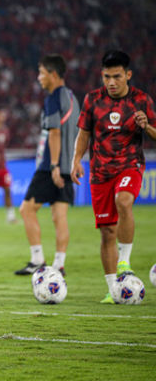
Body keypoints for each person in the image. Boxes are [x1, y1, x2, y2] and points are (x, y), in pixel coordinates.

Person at [71, 50, 156, 303]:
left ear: (128, 75)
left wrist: (147, 126)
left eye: (117, 76)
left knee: (124, 200)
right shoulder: (92, 100)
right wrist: (76, 160)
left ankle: (124, 262)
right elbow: (84, 133)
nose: (111, 82)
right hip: (99, 173)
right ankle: (113, 290)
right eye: (107, 76)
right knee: (107, 231)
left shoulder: (141, 99)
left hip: (129, 165)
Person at [15, 54, 80, 276]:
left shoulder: (53, 97)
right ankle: (59, 264)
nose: (39, 77)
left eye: (42, 72)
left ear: (53, 74)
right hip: (68, 164)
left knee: (26, 210)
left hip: (50, 165)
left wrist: (53, 165)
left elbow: (54, 132)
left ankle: (37, 260)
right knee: (59, 215)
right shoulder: (72, 97)